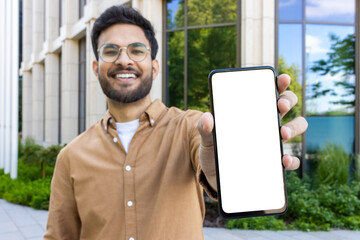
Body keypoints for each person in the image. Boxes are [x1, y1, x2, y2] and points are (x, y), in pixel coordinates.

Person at [43, 5, 308, 240]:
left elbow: (208, 158)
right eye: (110, 51)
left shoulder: (190, 127)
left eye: (137, 50)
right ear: (95, 66)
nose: (124, 60)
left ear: (154, 66)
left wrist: (223, 170)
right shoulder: (71, 156)